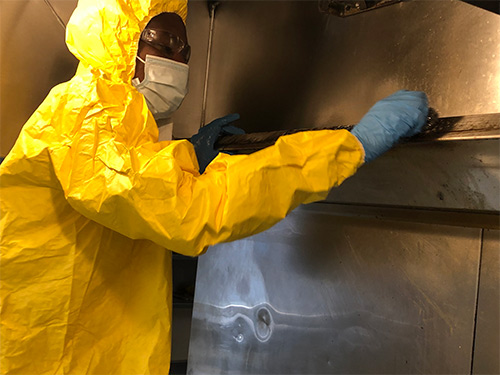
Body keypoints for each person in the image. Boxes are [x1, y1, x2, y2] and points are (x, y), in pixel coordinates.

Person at [0, 0, 428, 374]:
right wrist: (349, 146)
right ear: (119, 40)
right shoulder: (84, 115)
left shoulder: (118, 117)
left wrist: (187, 156)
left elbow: (135, 182)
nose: (178, 62)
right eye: (163, 45)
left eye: (183, 52)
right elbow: (188, 210)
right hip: (47, 354)